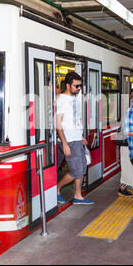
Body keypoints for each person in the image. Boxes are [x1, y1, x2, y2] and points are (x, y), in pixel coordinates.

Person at [56, 72, 94, 205]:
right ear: (68, 85)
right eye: (76, 86)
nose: (78, 88)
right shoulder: (61, 100)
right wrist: (65, 144)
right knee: (76, 170)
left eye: (80, 86)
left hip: (76, 139)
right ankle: (57, 189)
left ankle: (78, 195)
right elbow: (58, 124)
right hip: (69, 141)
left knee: (82, 167)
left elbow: (73, 120)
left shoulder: (74, 99)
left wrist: (81, 136)